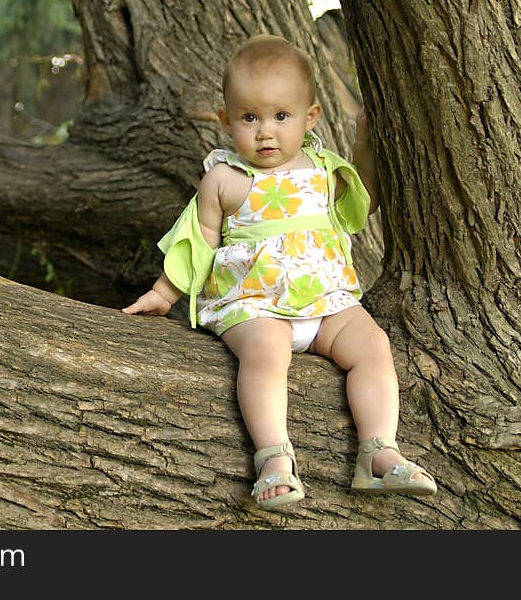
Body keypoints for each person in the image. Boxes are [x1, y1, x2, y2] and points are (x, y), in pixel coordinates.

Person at [122, 34, 436, 511]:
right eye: (250, 118)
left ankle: (378, 451)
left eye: (280, 117)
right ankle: (273, 457)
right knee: (266, 354)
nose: (265, 132)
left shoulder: (324, 169)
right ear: (226, 121)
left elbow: (360, 208)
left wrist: (364, 146)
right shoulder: (224, 178)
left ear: (310, 117)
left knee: (374, 345)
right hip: (254, 303)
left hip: (327, 302)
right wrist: (164, 293)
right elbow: (199, 238)